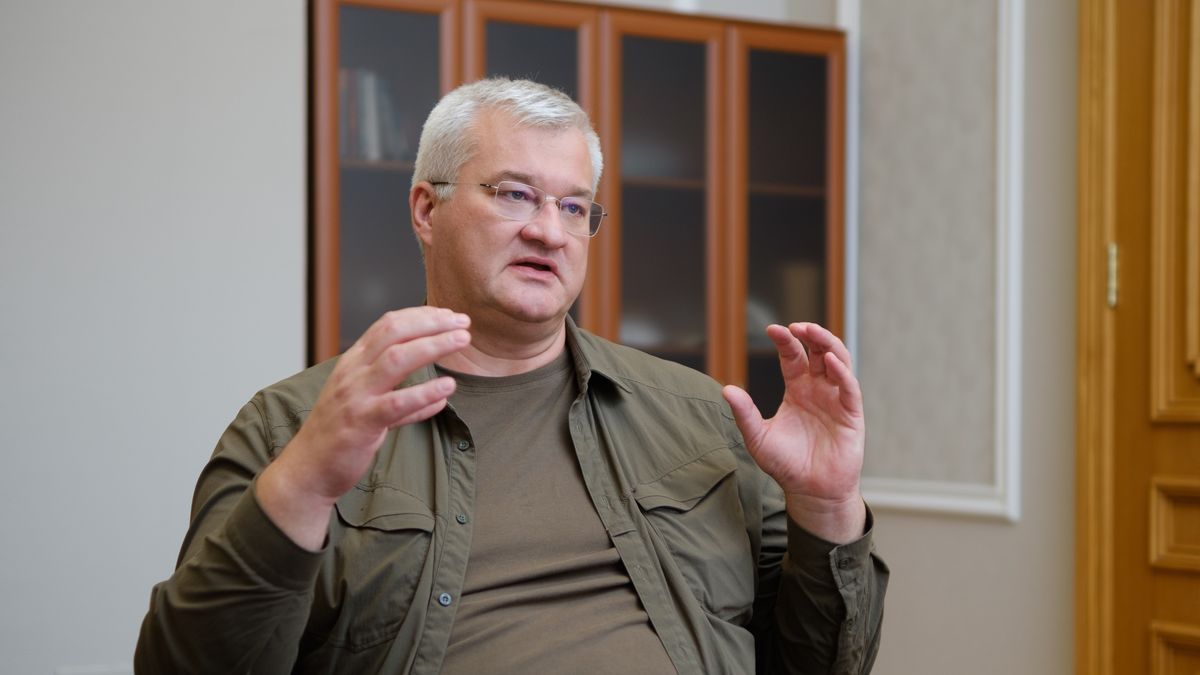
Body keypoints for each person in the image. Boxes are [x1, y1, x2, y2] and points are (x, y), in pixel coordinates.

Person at [135, 77, 888, 674]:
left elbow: (823, 665)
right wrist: (301, 484)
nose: (547, 230)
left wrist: (826, 506)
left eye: (573, 206)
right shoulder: (293, 424)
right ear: (427, 209)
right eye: (514, 193)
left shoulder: (699, 412)